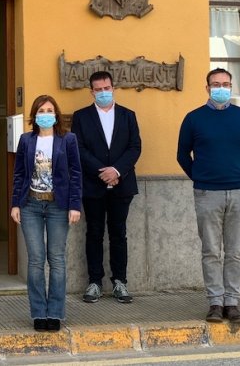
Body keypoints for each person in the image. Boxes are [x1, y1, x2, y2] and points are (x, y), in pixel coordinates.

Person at [177, 68, 240, 324]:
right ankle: (215, 302)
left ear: (231, 86)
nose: (220, 88)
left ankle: (232, 303)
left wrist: (236, 174)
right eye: (215, 84)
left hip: (239, 192)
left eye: (225, 84)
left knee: (235, 251)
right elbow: (183, 155)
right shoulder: (193, 119)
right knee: (211, 251)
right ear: (207, 88)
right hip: (206, 193)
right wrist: (202, 177)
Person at [10, 95, 82, 332]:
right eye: (41, 110)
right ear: (35, 115)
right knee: (36, 260)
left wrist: (74, 205)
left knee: (57, 259)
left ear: (56, 114)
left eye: (50, 110)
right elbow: (19, 173)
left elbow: (76, 173)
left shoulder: (68, 140)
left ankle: (56, 313)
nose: (46, 114)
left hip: (58, 206)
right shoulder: (26, 140)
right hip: (30, 204)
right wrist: (15, 204)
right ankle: (39, 313)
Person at [70, 71, 142, 304]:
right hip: (93, 184)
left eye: (107, 88)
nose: (103, 92)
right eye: (98, 89)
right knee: (94, 233)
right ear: (91, 91)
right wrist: (103, 172)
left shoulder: (128, 115)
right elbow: (78, 148)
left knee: (119, 233)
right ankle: (94, 282)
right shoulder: (81, 117)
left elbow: (134, 147)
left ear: (113, 88)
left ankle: (120, 282)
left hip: (122, 184)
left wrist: (117, 171)